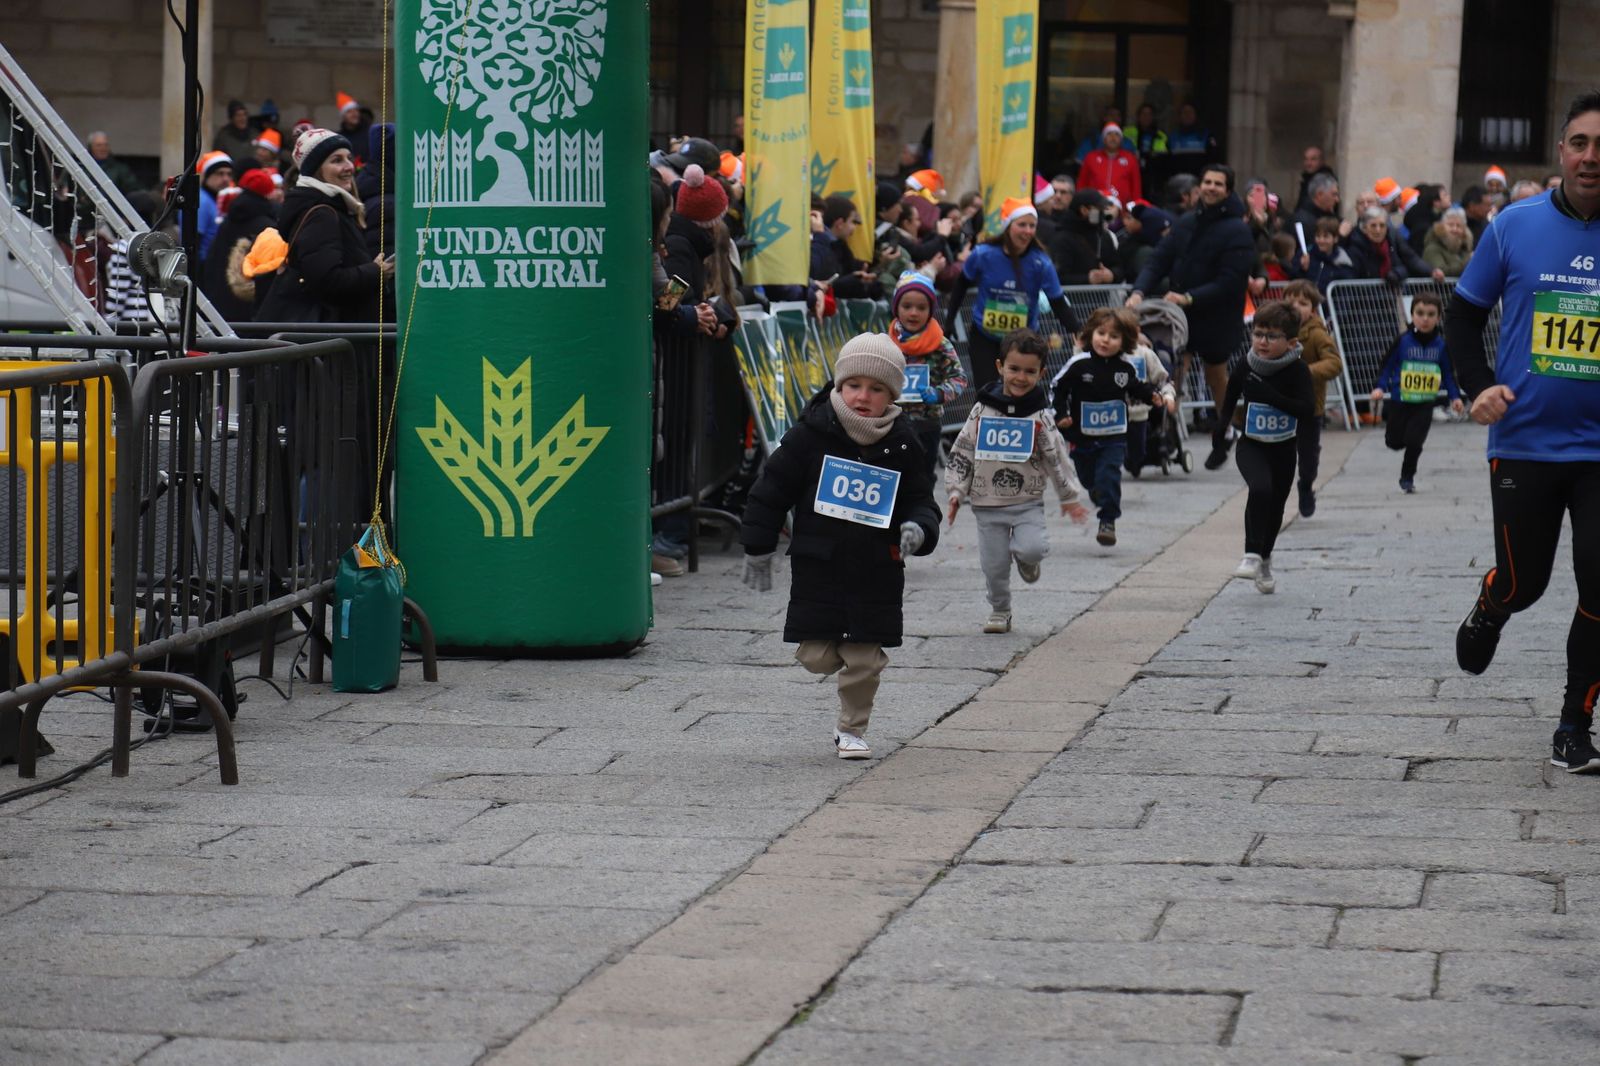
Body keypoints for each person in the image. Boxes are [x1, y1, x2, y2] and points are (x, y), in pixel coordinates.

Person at [1449, 90, 1600, 774]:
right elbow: (1463, 316)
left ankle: (1574, 724)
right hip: (1525, 442)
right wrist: (1477, 384)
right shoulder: (1514, 226)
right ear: (1562, 151)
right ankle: (1493, 603)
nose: (1591, 157)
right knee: (1524, 583)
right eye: (1580, 143)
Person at [738, 335, 941, 760]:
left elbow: (921, 500)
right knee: (815, 656)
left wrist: (919, 529)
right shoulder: (809, 435)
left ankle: (852, 729)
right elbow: (770, 491)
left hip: (877, 569)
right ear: (839, 384)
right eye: (854, 385)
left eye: (877, 389)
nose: (863, 396)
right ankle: (838, 664)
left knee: (864, 659)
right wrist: (757, 547)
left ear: (892, 395)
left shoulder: (904, 442)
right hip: (820, 567)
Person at [946, 329, 1088, 633]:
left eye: (1029, 371)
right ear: (1000, 367)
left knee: (1033, 548)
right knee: (994, 566)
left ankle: (1026, 560)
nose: (1021, 377)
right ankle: (1000, 610)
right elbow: (963, 448)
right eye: (1014, 369)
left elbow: (1056, 455)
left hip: (1027, 502)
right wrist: (956, 490)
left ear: (1041, 373)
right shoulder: (982, 409)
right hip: (986, 504)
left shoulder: (1040, 415)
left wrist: (1069, 496)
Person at [1128, 164, 1255, 464]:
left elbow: (1231, 280)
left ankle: (1225, 429)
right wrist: (1138, 291)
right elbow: (1159, 260)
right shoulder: (1186, 222)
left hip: (1218, 313)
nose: (1211, 187)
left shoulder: (1237, 229)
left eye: (1218, 184)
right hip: (1181, 315)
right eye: (1207, 182)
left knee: (1215, 374)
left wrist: (1189, 297)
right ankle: (1164, 432)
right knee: (1173, 369)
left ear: (1228, 190)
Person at [1214, 301, 1317, 594]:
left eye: (1271, 336)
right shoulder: (1246, 364)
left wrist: (1270, 396)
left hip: (1283, 450)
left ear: (1291, 342)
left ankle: (1265, 558)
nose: (1262, 341)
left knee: (1276, 507)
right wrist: (1221, 428)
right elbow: (1230, 395)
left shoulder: (1298, 370)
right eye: (1258, 333)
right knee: (1260, 489)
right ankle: (1251, 554)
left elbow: (1307, 410)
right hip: (1252, 445)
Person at [1051, 307, 1176, 546]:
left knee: (1109, 473)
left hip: (1114, 435)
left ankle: (1108, 520)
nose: (1106, 340)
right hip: (1082, 435)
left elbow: (1136, 387)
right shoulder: (1079, 364)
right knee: (1088, 479)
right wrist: (1061, 414)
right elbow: (1058, 387)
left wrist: (1152, 396)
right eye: (1101, 333)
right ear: (1091, 333)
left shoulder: (1125, 367)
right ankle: (1098, 493)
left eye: (1114, 336)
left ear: (1125, 341)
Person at [256, 128, 394, 323]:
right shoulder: (322, 214)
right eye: (337, 160)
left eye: (349, 158)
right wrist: (375, 271)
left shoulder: (333, 207)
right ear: (316, 170)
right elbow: (326, 280)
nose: (349, 166)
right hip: (333, 332)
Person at [944, 197, 1079, 392]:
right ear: (1008, 226)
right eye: (1022, 225)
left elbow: (1057, 302)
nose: (1028, 231)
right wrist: (949, 323)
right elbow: (960, 286)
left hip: (1024, 339)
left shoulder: (1041, 262)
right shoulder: (983, 254)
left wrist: (1078, 330)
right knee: (987, 391)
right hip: (985, 335)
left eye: (1032, 226)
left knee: (1020, 390)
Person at [1369, 292, 1462, 492]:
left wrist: (1455, 397)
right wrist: (1380, 387)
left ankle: (1407, 476)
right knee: (1393, 442)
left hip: (1424, 403)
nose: (1425, 319)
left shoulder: (1441, 346)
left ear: (1438, 317)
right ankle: (1397, 438)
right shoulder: (1403, 341)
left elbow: (1448, 374)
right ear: (1412, 315)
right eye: (1420, 313)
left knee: (1415, 442)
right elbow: (1387, 366)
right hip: (1400, 400)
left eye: (1431, 314)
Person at [888, 272, 967, 481]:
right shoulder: (886, 342)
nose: (913, 313)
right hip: (892, 422)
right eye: (907, 306)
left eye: (921, 308)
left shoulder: (940, 344)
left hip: (927, 424)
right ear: (896, 307)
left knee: (922, 477)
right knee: (894, 475)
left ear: (931, 310)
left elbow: (959, 378)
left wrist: (939, 393)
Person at [1280, 281, 1343, 516]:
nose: (1296, 307)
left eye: (1303, 303)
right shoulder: (1274, 331)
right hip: (1279, 405)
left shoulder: (1316, 334)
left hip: (1309, 407)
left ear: (1313, 309)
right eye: (1290, 302)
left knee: (1308, 459)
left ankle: (1305, 486)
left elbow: (1334, 363)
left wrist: (1306, 371)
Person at [202, 168, 278, 323]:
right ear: (268, 193)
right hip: (250, 307)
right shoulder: (267, 226)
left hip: (220, 304)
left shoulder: (227, 221)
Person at [811, 195, 883, 299]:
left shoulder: (840, 247)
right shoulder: (820, 245)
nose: (854, 228)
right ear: (840, 223)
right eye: (853, 222)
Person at [1348, 206, 1442, 284]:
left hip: (1390, 296)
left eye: (1382, 225)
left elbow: (1410, 259)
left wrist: (1431, 271)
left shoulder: (1392, 239)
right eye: (1373, 226)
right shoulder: (1355, 247)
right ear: (1364, 228)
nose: (1378, 230)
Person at [1048, 189, 1120, 285]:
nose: (1102, 213)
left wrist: (1111, 275)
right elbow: (1058, 277)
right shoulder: (1062, 239)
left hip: (1103, 294)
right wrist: (1087, 279)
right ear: (1084, 210)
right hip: (1073, 294)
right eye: (1098, 209)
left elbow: (1118, 266)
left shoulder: (1103, 236)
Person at [1077, 123, 1142, 207]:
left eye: (1117, 134)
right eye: (1109, 134)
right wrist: (1080, 204)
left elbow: (1136, 187)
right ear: (1103, 139)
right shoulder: (1091, 157)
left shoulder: (1130, 159)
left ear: (1121, 140)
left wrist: (1135, 208)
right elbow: (1081, 183)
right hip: (1093, 206)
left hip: (1123, 209)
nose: (1113, 137)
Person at [192, 150, 234, 263]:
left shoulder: (218, 199)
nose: (226, 179)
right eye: (220, 173)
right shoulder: (201, 201)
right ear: (207, 176)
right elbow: (194, 241)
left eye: (229, 174)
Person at [1297, 216, 1356, 292]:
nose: (1321, 240)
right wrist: (1302, 269)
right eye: (1318, 236)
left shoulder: (1342, 262)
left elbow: (1346, 290)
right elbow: (1294, 279)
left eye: (1326, 236)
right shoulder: (1305, 255)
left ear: (1335, 238)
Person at [85, 131, 143, 197]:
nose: (103, 148)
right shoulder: (82, 167)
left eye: (106, 145)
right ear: (90, 148)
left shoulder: (120, 169)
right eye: (99, 145)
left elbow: (134, 188)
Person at [1422, 205, 1474, 276]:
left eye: (1459, 226)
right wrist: (1468, 262)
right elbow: (1442, 272)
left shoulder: (1465, 249)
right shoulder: (1432, 249)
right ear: (1442, 227)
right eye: (1450, 225)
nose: (1455, 229)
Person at [1292, 173, 1344, 241]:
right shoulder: (1303, 221)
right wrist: (1341, 236)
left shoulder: (1330, 216)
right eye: (1334, 194)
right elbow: (1318, 246)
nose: (1337, 200)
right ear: (1319, 194)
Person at [1167, 103, 1216, 175]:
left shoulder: (1206, 136)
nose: (1188, 115)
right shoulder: (1172, 137)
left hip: (1199, 177)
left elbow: (1213, 159)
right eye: (1185, 113)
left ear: (1195, 115)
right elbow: (1167, 162)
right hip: (1177, 178)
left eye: (1190, 112)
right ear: (1180, 116)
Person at [1122, 103, 1169, 171]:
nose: (1146, 117)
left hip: (1154, 169)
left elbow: (1166, 157)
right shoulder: (1127, 132)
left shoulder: (1162, 136)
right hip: (1132, 168)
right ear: (1138, 117)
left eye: (1149, 114)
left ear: (1153, 117)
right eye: (1143, 114)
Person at [213, 100, 256, 171]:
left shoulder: (254, 134)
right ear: (232, 118)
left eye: (244, 114)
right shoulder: (223, 137)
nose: (243, 118)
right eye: (238, 115)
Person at [1294, 146, 1337, 215]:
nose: (1308, 163)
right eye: (1306, 159)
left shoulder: (1326, 180)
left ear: (1321, 161)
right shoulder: (1306, 179)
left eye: (1313, 159)